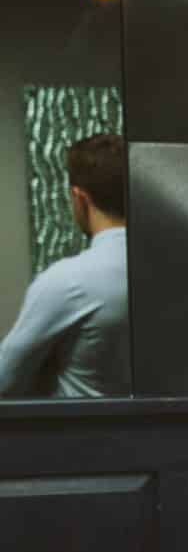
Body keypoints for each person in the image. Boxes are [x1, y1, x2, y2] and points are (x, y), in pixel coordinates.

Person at [0, 133, 130, 398]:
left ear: (80, 198)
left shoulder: (69, 281)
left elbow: (5, 382)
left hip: (84, 437)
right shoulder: (180, 270)